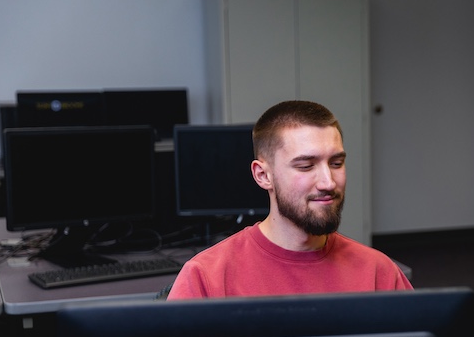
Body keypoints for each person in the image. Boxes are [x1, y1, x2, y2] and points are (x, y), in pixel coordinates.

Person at [167, 100, 412, 299]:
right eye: (306, 166)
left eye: (336, 163)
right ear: (263, 176)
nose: (328, 182)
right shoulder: (206, 278)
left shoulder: (379, 273)